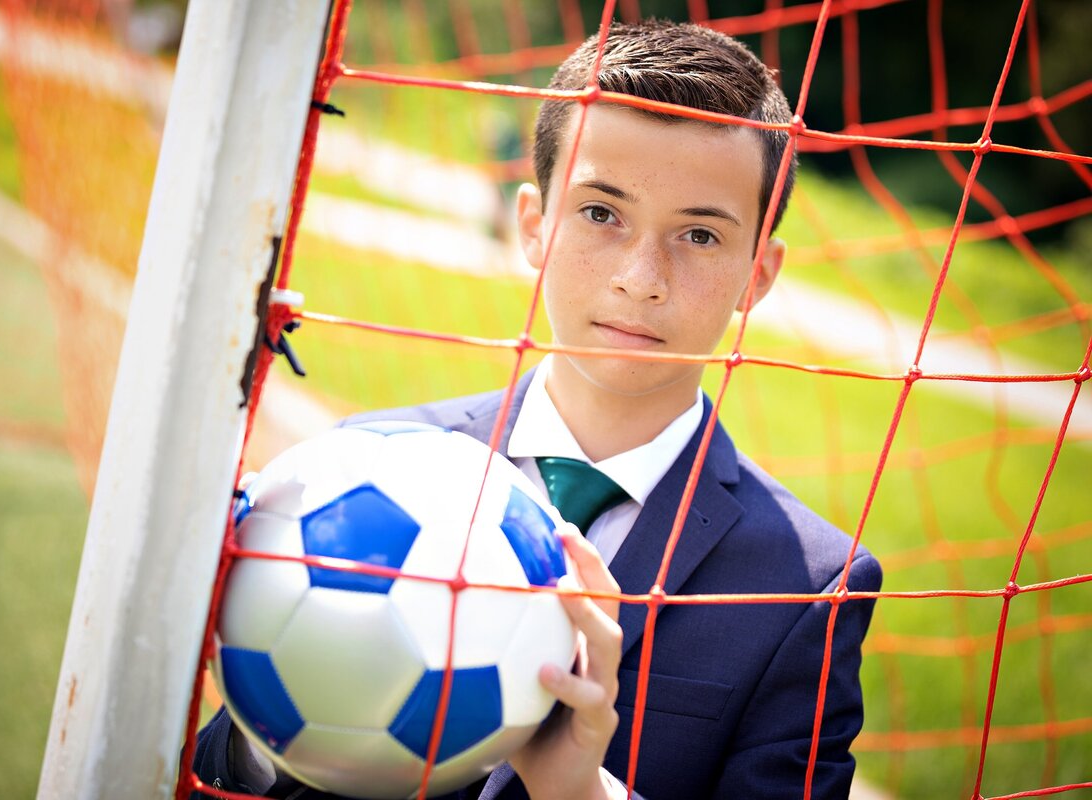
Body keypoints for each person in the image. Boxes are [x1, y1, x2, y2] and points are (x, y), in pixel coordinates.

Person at [193, 19, 882, 800]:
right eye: (601, 213)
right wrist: (283, 731)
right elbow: (217, 771)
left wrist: (582, 793)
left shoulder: (807, 585)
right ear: (531, 223)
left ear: (758, 273)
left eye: (698, 233)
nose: (640, 276)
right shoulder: (360, 471)